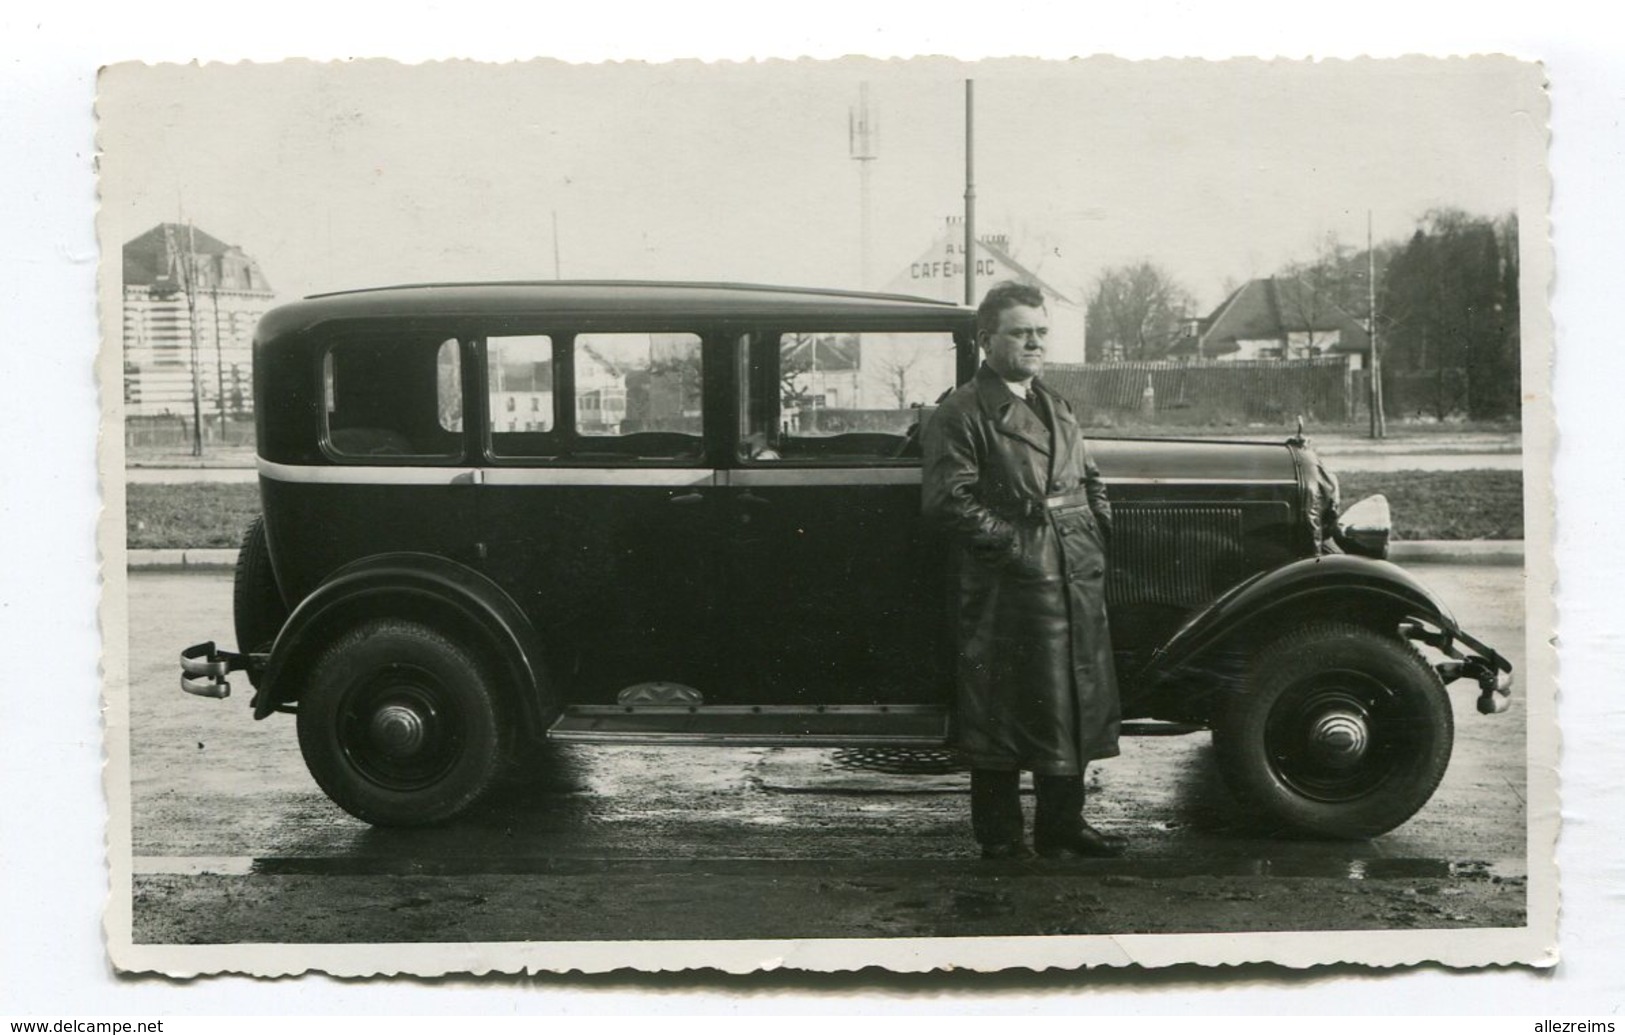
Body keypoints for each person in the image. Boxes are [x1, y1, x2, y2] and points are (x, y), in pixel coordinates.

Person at [922, 280, 1126, 860]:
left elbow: (1088, 478)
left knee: (1071, 700)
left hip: (1073, 572)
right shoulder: (963, 412)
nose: (1034, 342)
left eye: (1040, 331)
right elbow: (948, 503)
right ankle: (1001, 837)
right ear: (987, 340)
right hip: (1008, 587)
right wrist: (1018, 548)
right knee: (1004, 710)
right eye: (1020, 332)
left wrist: (1095, 527)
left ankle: (1063, 824)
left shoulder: (1055, 402)